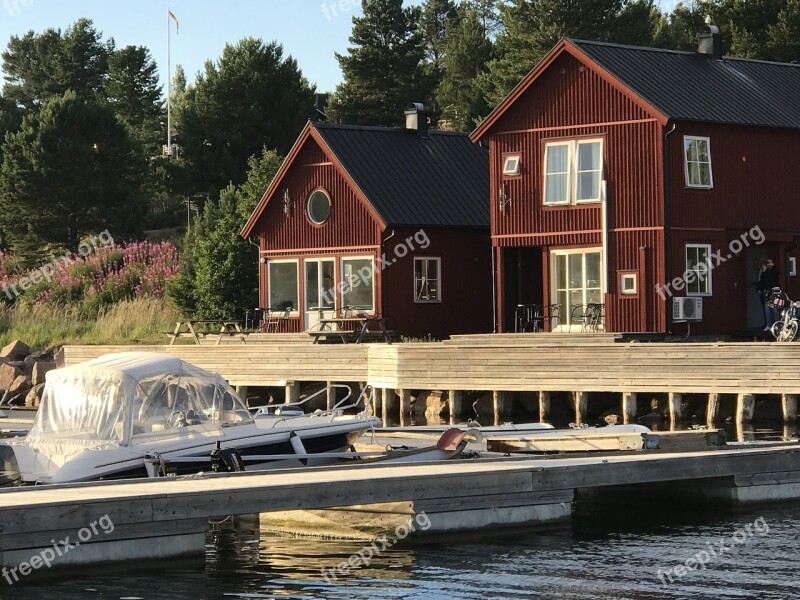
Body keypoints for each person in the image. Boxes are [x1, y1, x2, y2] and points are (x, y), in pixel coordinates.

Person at [757, 258, 779, 330]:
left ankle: (776, 324)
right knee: (767, 308)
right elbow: (762, 281)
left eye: (770, 263)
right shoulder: (765, 272)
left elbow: (775, 277)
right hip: (767, 291)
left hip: (774, 290)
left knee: (775, 308)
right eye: (767, 263)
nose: (768, 265)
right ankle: (768, 325)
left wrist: (773, 266)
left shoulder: (774, 270)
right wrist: (764, 271)